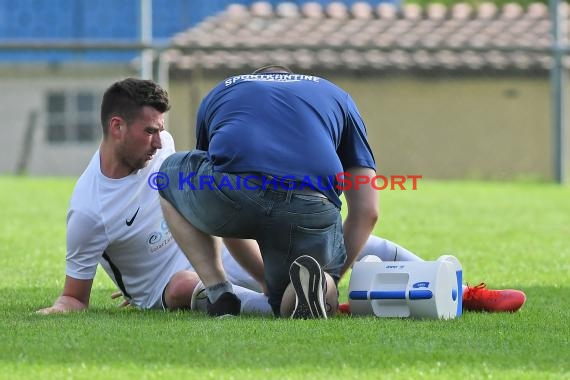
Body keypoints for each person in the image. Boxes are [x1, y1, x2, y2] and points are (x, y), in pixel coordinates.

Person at [158, 65, 379, 319]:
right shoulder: (338, 97)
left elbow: (217, 184)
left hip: (235, 193)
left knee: (167, 176)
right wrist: (335, 274)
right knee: (296, 294)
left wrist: (261, 278)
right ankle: (319, 284)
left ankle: (220, 293)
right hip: (310, 204)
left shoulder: (221, 91)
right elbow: (367, 211)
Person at [37, 78, 272, 315]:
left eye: (160, 129)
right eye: (150, 131)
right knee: (183, 284)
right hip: (168, 285)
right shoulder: (88, 211)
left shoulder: (163, 145)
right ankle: (282, 309)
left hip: (209, 253)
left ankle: (285, 287)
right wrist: (55, 310)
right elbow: (74, 297)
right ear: (117, 127)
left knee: (258, 250)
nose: (159, 142)